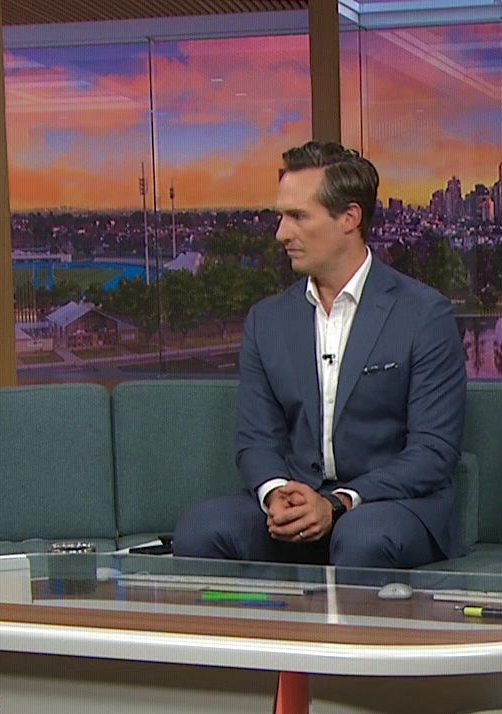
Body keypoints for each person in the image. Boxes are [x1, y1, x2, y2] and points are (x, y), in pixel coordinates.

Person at [173, 142, 467, 569]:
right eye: (281, 216)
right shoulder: (267, 321)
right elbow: (256, 440)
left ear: (349, 218)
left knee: (360, 538)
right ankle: (263, 618)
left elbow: (433, 452)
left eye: (298, 216)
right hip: (300, 499)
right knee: (202, 530)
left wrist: (337, 502)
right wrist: (276, 493)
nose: (281, 233)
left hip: (389, 504)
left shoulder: (423, 314)